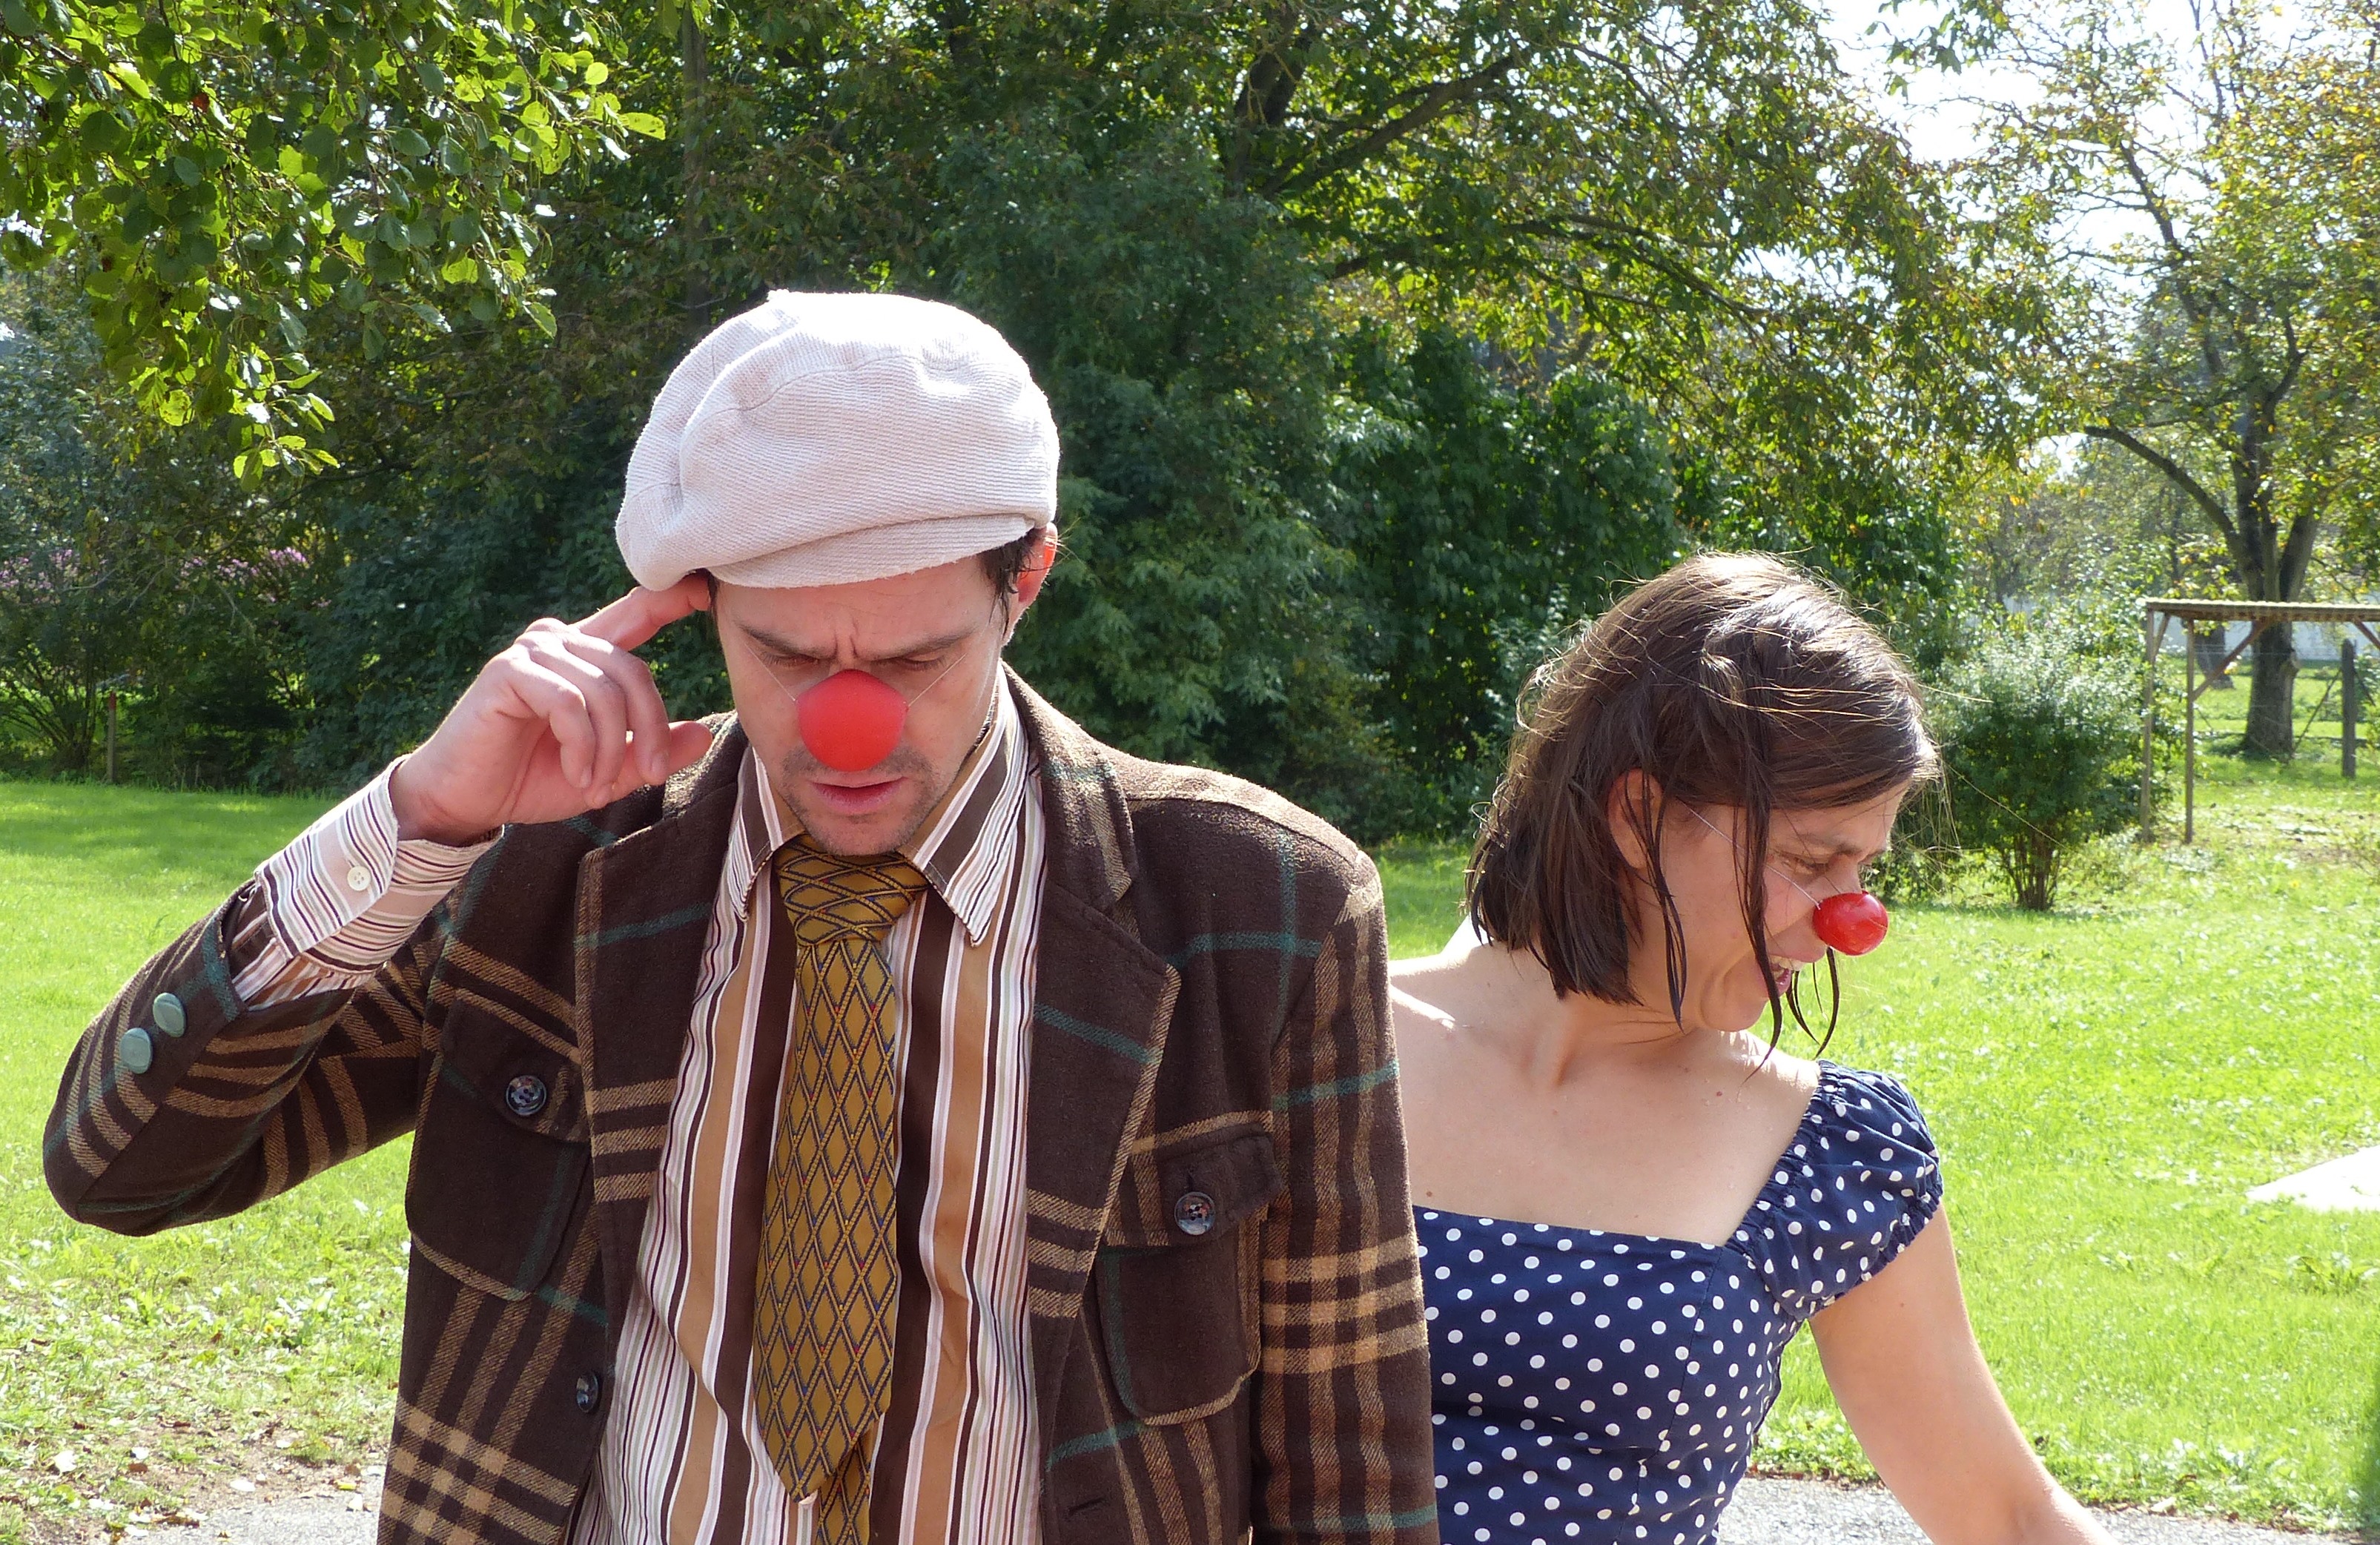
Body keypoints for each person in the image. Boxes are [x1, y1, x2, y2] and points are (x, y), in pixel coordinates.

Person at [45, 291, 1435, 1545]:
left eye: (916, 657)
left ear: (1024, 584)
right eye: (784, 652)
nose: (847, 726)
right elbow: (121, 1170)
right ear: (697, 609)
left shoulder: (1265, 909)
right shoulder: (544, 869)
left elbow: (1350, 1465)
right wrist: (424, 819)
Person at [1392, 553, 2112, 1545]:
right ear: (1639, 818)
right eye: (1811, 861)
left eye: (1864, 870)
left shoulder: (1832, 1150)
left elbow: (2008, 1515)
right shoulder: (1307, 1047)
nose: (1852, 924)